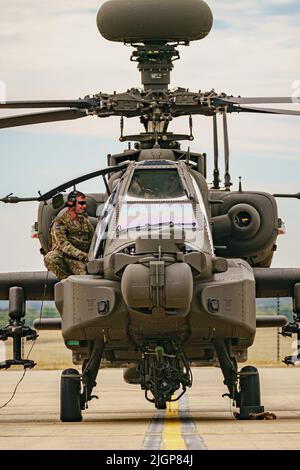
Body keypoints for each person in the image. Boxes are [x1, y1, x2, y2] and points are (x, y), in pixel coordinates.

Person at [44, 191, 95, 280]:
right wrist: (84, 255)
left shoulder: (84, 221)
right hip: (67, 260)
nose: (84, 206)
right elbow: (64, 246)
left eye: (84, 203)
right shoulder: (60, 222)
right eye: (81, 203)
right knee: (51, 258)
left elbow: (94, 239)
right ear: (72, 203)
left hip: (83, 260)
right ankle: (66, 280)